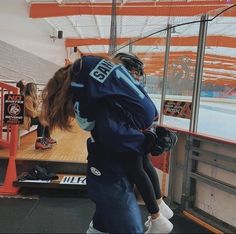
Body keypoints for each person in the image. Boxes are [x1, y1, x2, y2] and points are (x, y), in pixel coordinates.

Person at [41, 55, 176, 233]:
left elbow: (107, 127)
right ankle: (158, 211)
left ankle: (158, 214)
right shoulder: (109, 98)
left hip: (108, 178)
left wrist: (154, 139)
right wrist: (152, 138)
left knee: (108, 221)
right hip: (109, 178)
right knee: (122, 222)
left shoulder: (102, 99)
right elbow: (121, 133)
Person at [113, 52, 177, 232]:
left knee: (136, 169)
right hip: (143, 129)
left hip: (133, 131)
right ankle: (159, 204)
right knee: (144, 164)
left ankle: (157, 217)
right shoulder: (135, 84)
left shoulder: (123, 84)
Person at [24, 82, 56, 150]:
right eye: (36, 89)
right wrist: (39, 113)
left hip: (29, 118)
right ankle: (39, 141)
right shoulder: (28, 99)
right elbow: (32, 114)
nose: (37, 90)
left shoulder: (30, 98)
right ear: (32, 90)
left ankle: (46, 138)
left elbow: (35, 112)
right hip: (26, 120)